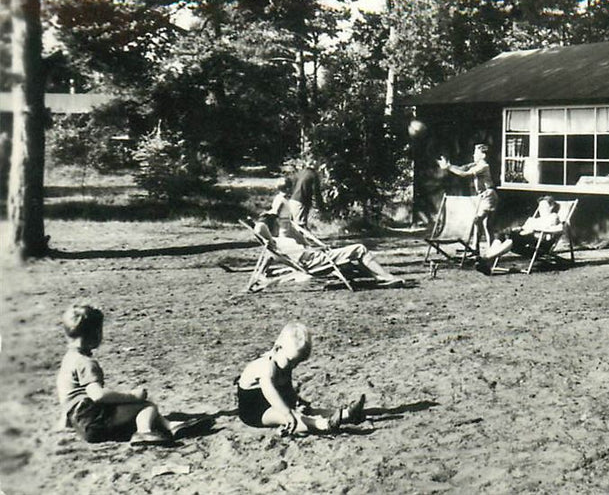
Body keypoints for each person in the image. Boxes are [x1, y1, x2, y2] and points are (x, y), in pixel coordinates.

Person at [56, 304, 214, 447]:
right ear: (95, 334)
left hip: (79, 422)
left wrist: (66, 423)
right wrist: (132, 396)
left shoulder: (68, 359)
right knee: (146, 405)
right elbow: (97, 395)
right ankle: (144, 432)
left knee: (133, 409)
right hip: (94, 421)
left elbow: (67, 396)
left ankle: (171, 426)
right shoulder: (86, 362)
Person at [236, 322, 366, 435]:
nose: (293, 366)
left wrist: (297, 401)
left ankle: (346, 414)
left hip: (275, 400)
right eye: (291, 361)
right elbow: (270, 392)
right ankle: (324, 425)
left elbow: (287, 389)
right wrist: (287, 412)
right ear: (278, 348)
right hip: (255, 411)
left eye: (296, 363)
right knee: (288, 417)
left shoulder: (284, 364)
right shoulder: (266, 366)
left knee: (307, 410)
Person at [252, 220, 405, 288]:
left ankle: (378, 276)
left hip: (315, 259)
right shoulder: (277, 245)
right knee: (360, 248)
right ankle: (384, 276)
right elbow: (303, 257)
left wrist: (256, 281)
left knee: (351, 254)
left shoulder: (272, 249)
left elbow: (261, 269)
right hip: (317, 261)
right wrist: (319, 250)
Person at [480, 196, 563, 270]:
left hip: (538, 243)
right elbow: (524, 228)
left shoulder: (553, 217)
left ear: (551, 207)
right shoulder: (536, 219)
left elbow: (560, 228)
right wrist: (519, 228)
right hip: (525, 239)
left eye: (544, 207)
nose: (541, 209)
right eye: (540, 207)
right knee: (502, 235)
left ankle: (486, 258)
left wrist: (535, 228)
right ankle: (487, 258)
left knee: (512, 238)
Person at [438, 143, 497, 245]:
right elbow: (462, 168)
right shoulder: (476, 165)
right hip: (482, 196)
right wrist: (449, 165)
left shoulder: (483, 166)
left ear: (483, 155)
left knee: (477, 220)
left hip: (488, 196)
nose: (473, 155)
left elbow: (464, 174)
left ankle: (476, 248)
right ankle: (487, 249)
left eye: (476, 153)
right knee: (486, 225)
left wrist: (448, 168)